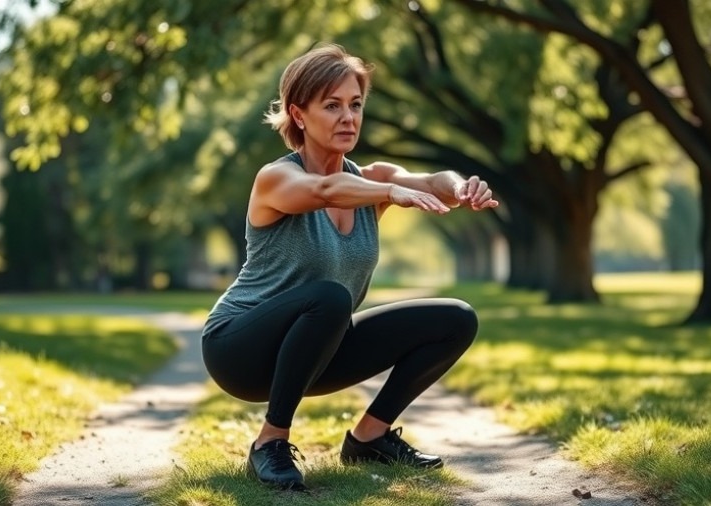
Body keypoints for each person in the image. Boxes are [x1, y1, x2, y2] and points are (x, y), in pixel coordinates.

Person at [200, 43, 499, 491]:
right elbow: (323, 189)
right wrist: (386, 194)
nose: (348, 117)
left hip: (316, 346)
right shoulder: (277, 178)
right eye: (332, 105)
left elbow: (433, 181)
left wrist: (462, 187)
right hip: (237, 348)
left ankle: (369, 437)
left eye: (356, 105)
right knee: (330, 297)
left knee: (456, 319)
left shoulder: (372, 177)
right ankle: (270, 443)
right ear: (299, 115)